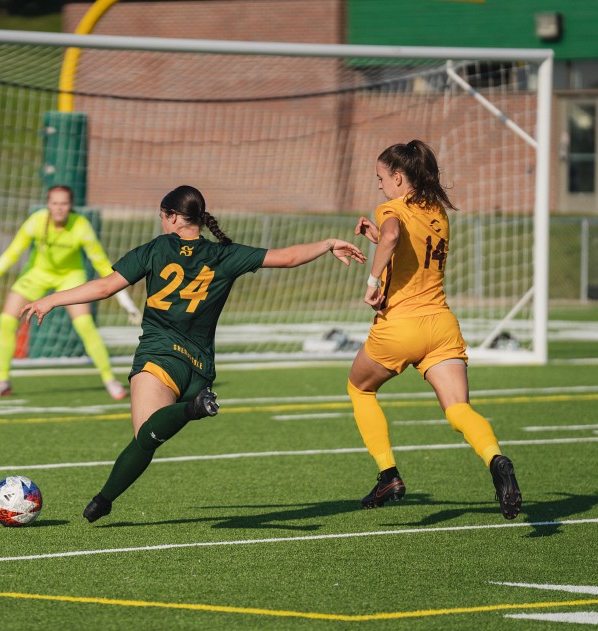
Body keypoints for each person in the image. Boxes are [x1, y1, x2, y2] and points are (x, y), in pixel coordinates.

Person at [21, 185, 366, 523]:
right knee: (149, 438)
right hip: (200, 369)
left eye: (162, 216)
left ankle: (190, 412)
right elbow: (288, 258)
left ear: (173, 218)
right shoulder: (223, 254)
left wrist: (52, 299)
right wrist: (328, 243)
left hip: (160, 357)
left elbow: (105, 286)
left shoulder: (157, 249)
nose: (161, 223)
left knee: (145, 437)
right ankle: (103, 500)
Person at [348, 140, 522, 519]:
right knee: (458, 408)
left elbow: (394, 235)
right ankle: (496, 460)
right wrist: (376, 237)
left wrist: (372, 282)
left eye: (381, 178)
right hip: (441, 325)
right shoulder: (438, 212)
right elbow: (408, 246)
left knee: (359, 388)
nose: (379, 185)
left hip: (401, 325)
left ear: (398, 177)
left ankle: (388, 474)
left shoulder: (391, 208)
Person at [0, 185, 141, 400]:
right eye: (54, 203)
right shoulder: (36, 221)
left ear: (71, 206)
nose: (59, 208)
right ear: (48, 205)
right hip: (37, 274)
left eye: (64, 203)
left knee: (85, 325)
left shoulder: (81, 226)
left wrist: (124, 300)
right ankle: (2, 382)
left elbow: (101, 262)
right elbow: (12, 252)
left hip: (70, 276)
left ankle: (110, 380)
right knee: (6, 320)